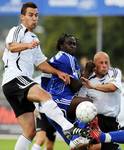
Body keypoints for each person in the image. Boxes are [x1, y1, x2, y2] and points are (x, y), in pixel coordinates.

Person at [1, 2, 86, 150]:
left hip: (18, 85)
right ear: (22, 17)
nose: (34, 18)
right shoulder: (17, 30)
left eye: (36, 15)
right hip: (14, 78)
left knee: (30, 131)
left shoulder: (34, 38)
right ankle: (69, 129)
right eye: (30, 15)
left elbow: (41, 64)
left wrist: (59, 72)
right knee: (45, 95)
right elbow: (11, 46)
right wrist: (28, 45)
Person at [34, 33, 93, 150]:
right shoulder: (66, 58)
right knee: (88, 104)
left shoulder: (57, 58)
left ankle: (77, 136)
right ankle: (79, 133)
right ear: (61, 45)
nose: (73, 46)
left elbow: (45, 81)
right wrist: (87, 71)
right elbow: (75, 87)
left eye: (74, 44)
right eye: (69, 43)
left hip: (52, 108)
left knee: (76, 146)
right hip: (60, 100)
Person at [79, 51, 122, 150]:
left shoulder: (114, 72)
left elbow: (112, 88)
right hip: (94, 120)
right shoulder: (88, 79)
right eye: (101, 63)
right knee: (93, 147)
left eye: (106, 63)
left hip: (111, 121)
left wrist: (93, 86)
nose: (104, 66)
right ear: (95, 66)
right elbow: (81, 101)